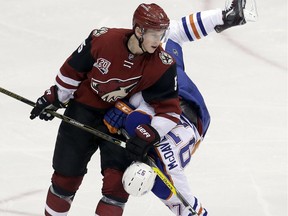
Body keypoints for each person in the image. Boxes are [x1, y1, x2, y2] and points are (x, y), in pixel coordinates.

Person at [29, 3, 182, 216]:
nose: (159, 41)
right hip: (82, 111)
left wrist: (150, 133)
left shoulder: (162, 64)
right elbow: (73, 71)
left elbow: (170, 111)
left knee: (116, 191)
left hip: (120, 121)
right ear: (138, 31)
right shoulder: (103, 40)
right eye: (154, 35)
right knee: (64, 180)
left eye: (162, 34)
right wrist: (54, 97)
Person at [104, 0, 252, 215]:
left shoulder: (164, 185)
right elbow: (190, 208)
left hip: (169, 106)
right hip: (187, 108)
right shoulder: (166, 177)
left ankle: (229, 16)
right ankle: (228, 16)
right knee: (129, 117)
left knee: (125, 117)